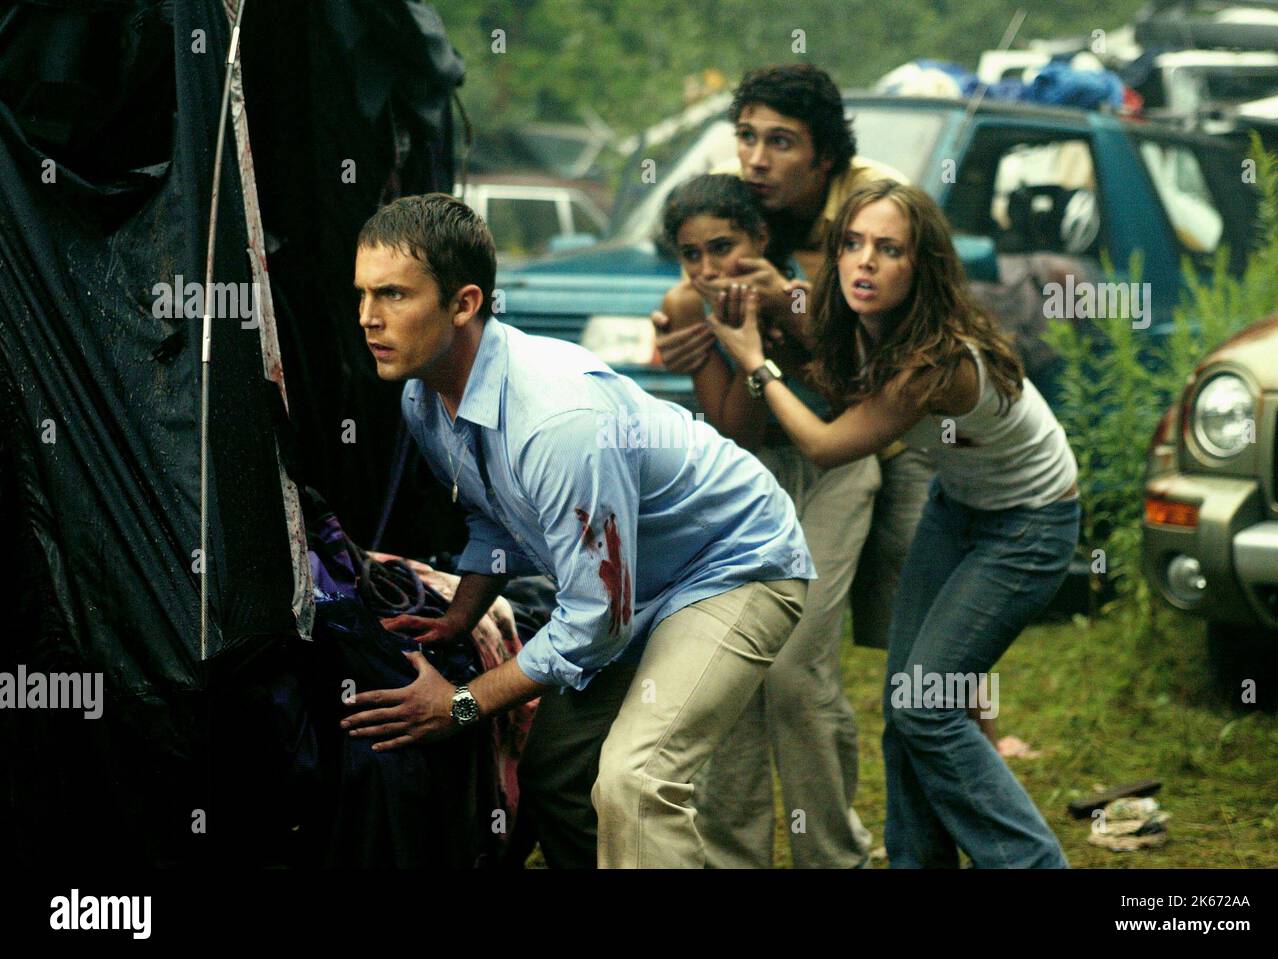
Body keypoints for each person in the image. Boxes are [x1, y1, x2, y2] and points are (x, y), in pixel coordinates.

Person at [341, 192, 814, 869]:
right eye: (361, 294)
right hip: (629, 586)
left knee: (637, 780)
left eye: (391, 294)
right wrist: (458, 616)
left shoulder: (558, 421)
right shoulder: (423, 394)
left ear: (464, 303)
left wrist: (465, 702)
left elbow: (595, 622)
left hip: (734, 563)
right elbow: (492, 513)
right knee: (559, 775)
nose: (367, 317)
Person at [705, 178, 1078, 869]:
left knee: (928, 707)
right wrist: (773, 291)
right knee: (906, 704)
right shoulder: (871, 323)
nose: (863, 262)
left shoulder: (933, 362)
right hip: (959, 508)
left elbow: (826, 441)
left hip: (1030, 524)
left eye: (888, 249)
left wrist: (755, 361)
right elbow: (835, 360)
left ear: (921, 265)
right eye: (852, 244)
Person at [653, 64, 929, 869]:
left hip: (860, 450)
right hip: (755, 475)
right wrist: (712, 336)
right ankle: (734, 853)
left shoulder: (870, 209)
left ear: (822, 153)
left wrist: (786, 306)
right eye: (746, 137)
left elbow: (866, 372)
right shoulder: (723, 247)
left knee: (816, 668)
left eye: (780, 141)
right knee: (735, 668)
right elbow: (732, 420)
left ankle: (837, 854)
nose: (758, 157)